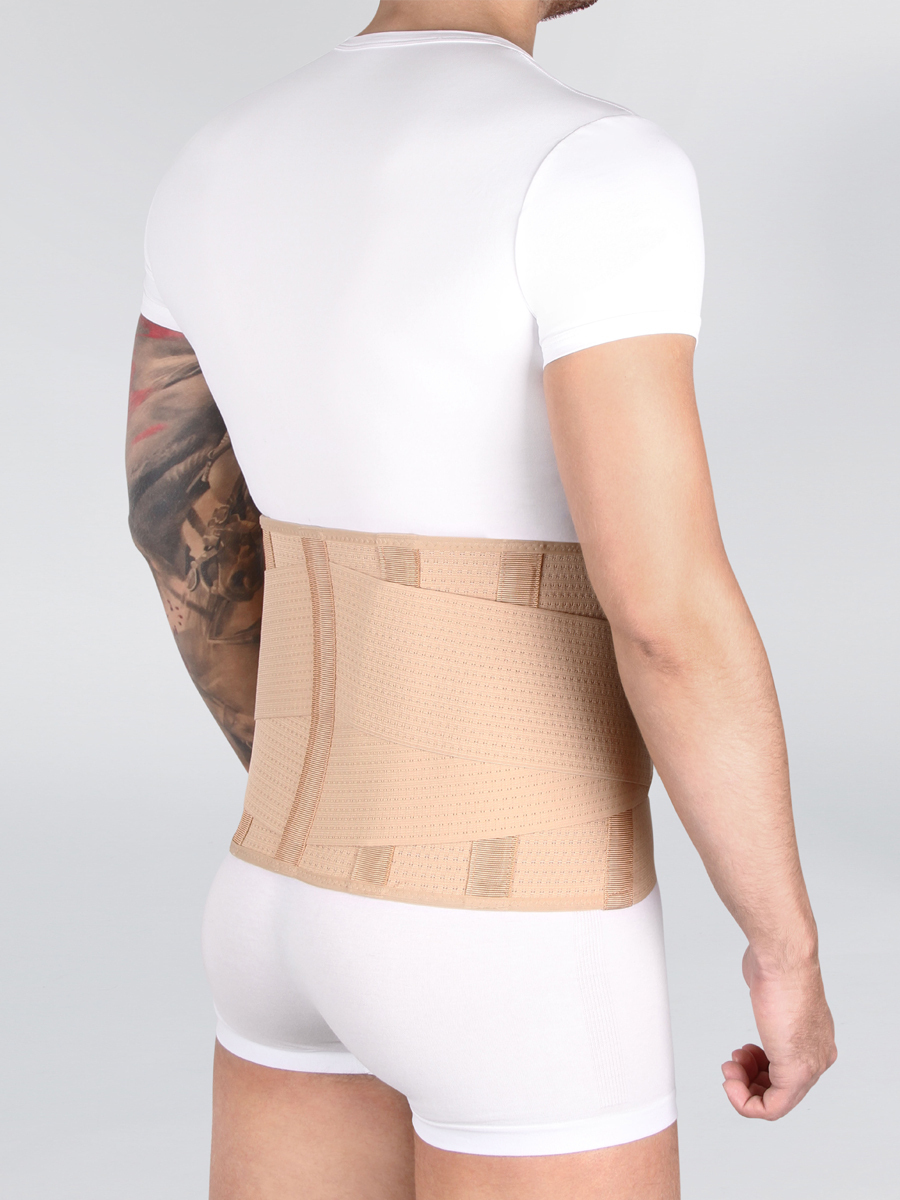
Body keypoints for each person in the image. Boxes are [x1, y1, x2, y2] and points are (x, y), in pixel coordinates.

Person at [125, 1, 836, 1196]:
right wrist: (786, 951)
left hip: (275, 898)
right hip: (513, 928)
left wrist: (340, 796)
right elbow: (665, 613)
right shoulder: (596, 165)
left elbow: (170, 520)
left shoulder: (215, 159)